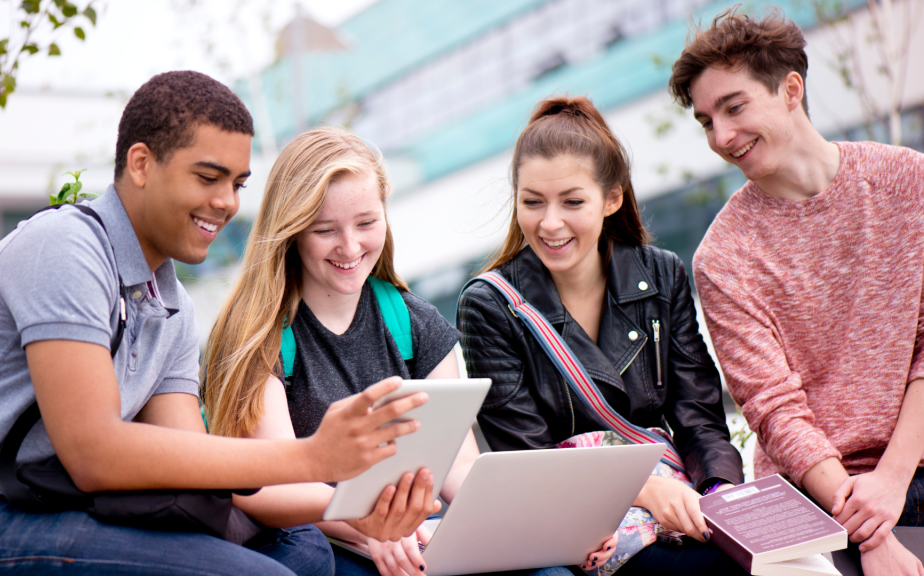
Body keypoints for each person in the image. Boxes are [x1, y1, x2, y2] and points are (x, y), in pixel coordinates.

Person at [0, 71, 433, 576]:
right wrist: (311, 456)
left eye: (238, 183)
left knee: (304, 551)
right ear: (140, 164)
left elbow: (186, 463)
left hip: (48, 503)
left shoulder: (170, 302)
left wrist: (356, 505)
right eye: (208, 177)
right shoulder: (66, 248)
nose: (226, 203)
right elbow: (93, 453)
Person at [201, 125, 617, 576]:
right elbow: (267, 487)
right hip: (322, 543)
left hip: (413, 535)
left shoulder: (414, 323)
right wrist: (370, 525)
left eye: (366, 223)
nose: (350, 246)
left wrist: (549, 525)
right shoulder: (258, 335)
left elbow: (458, 466)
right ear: (292, 231)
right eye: (325, 230)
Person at [667, 7, 924, 576]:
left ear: (790, 89)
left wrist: (892, 480)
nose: (722, 136)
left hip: (912, 464)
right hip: (812, 495)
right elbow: (775, 411)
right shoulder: (722, 258)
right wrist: (870, 531)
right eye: (707, 121)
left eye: (734, 107)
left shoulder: (908, 182)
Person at [457, 95, 746, 576]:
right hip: (578, 523)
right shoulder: (491, 304)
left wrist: (719, 494)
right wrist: (647, 491)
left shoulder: (661, 274)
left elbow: (697, 417)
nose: (550, 223)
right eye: (532, 202)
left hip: (677, 500)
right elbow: (528, 459)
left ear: (612, 198)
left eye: (572, 202)